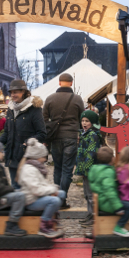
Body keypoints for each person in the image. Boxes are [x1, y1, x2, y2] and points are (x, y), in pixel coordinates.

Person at [43, 72, 85, 209]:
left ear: (59, 82)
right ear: (71, 83)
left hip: (55, 138)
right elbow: (82, 118)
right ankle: (62, 199)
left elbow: (44, 119)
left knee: (58, 168)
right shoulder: (78, 99)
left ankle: (56, 198)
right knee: (67, 170)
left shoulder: (50, 98)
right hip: (71, 137)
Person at [0, 79, 46, 188]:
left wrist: (27, 142)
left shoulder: (34, 109)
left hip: (27, 158)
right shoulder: (11, 109)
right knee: (15, 188)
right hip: (12, 157)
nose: (12, 95)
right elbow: (7, 133)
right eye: (11, 92)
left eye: (15, 92)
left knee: (27, 190)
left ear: (23, 92)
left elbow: (42, 133)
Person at [17, 139, 65, 239]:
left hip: (36, 197)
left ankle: (53, 218)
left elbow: (41, 185)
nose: (45, 159)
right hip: (30, 201)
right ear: (37, 156)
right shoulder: (29, 170)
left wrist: (53, 189)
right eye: (44, 157)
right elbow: (36, 190)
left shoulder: (36, 168)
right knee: (54, 200)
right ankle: (44, 227)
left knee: (61, 194)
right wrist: (52, 190)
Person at [89, 147, 129, 237]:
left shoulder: (94, 169)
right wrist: (118, 207)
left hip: (100, 200)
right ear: (112, 159)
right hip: (106, 202)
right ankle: (119, 227)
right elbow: (109, 190)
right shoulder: (108, 172)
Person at [75, 110, 104, 226]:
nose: (84, 123)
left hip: (90, 170)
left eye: (87, 121)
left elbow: (91, 154)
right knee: (87, 194)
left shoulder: (93, 135)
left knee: (91, 194)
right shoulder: (83, 134)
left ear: (92, 122)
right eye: (82, 120)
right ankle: (89, 212)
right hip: (84, 169)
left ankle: (93, 215)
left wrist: (86, 170)